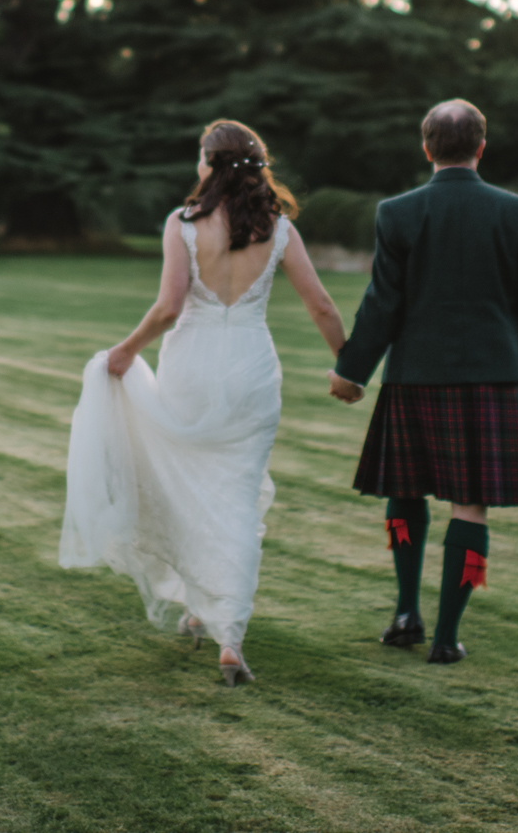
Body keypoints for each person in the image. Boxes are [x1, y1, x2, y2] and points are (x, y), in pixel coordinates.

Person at [59, 120, 349, 686]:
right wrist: (347, 364)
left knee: (190, 488)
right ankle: (228, 636)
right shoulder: (280, 230)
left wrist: (124, 351)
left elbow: (169, 308)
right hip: (250, 370)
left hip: (191, 365)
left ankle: (210, 612)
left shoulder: (183, 224)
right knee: (235, 498)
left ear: (209, 165)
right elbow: (321, 305)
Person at [327, 98, 518, 665]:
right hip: (489, 376)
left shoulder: (397, 212)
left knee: (405, 490)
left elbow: (383, 303)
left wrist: (352, 371)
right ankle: (446, 638)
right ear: (481, 146)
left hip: (414, 377)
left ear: (426, 148)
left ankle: (406, 611)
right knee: (469, 506)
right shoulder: (516, 211)